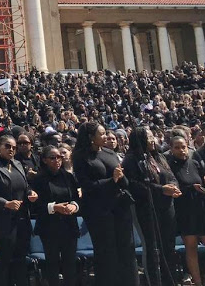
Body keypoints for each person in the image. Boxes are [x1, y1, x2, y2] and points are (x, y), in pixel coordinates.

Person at [72, 122, 138, 286]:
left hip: (120, 207)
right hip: (99, 211)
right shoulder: (81, 156)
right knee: (107, 253)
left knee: (126, 251)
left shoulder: (109, 152)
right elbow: (87, 186)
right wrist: (112, 180)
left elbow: (124, 180)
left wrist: (121, 178)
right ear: (90, 137)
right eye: (101, 134)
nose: (106, 136)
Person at [123, 127, 180, 286]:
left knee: (169, 246)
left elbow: (171, 176)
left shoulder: (159, 156)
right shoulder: (132, 160)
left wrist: (173, 187)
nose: (153, 139)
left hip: (167, 207)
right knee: (153, 248)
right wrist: (161, 189)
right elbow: (134, 185)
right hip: (146, 209)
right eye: (149, 137)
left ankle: (171, 281)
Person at [0, 132, 37, 286]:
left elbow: (24, 187)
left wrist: (30, 192)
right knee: (4, 259)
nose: (11, 150)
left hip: (22, 219)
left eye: (14, 147)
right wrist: (5, 203)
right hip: (3, 221)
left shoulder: (18, 164)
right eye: (7, 146)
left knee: (20, 258)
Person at [166, 136, 205, 286]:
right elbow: (174, 188)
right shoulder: (169, 165)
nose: (181, 150)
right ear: (171, 149)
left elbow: (204, 183)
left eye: (183, 146)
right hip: (185, 211)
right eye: (177, 147)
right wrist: (191, 188)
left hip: (202, 209)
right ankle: (198, 283)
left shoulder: (196, 163)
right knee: (191, 249)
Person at [32, 145, 80, 286]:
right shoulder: (39, 179)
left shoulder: (68, 176)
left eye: (59, 157)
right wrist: (54, 207)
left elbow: (78, 199)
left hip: (69, 226)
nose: (57, 160)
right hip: (49, 228)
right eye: (53, 158)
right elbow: (35, 205)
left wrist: (74, 206)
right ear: (45, 160)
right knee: (52, 265)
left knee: (70, 265)